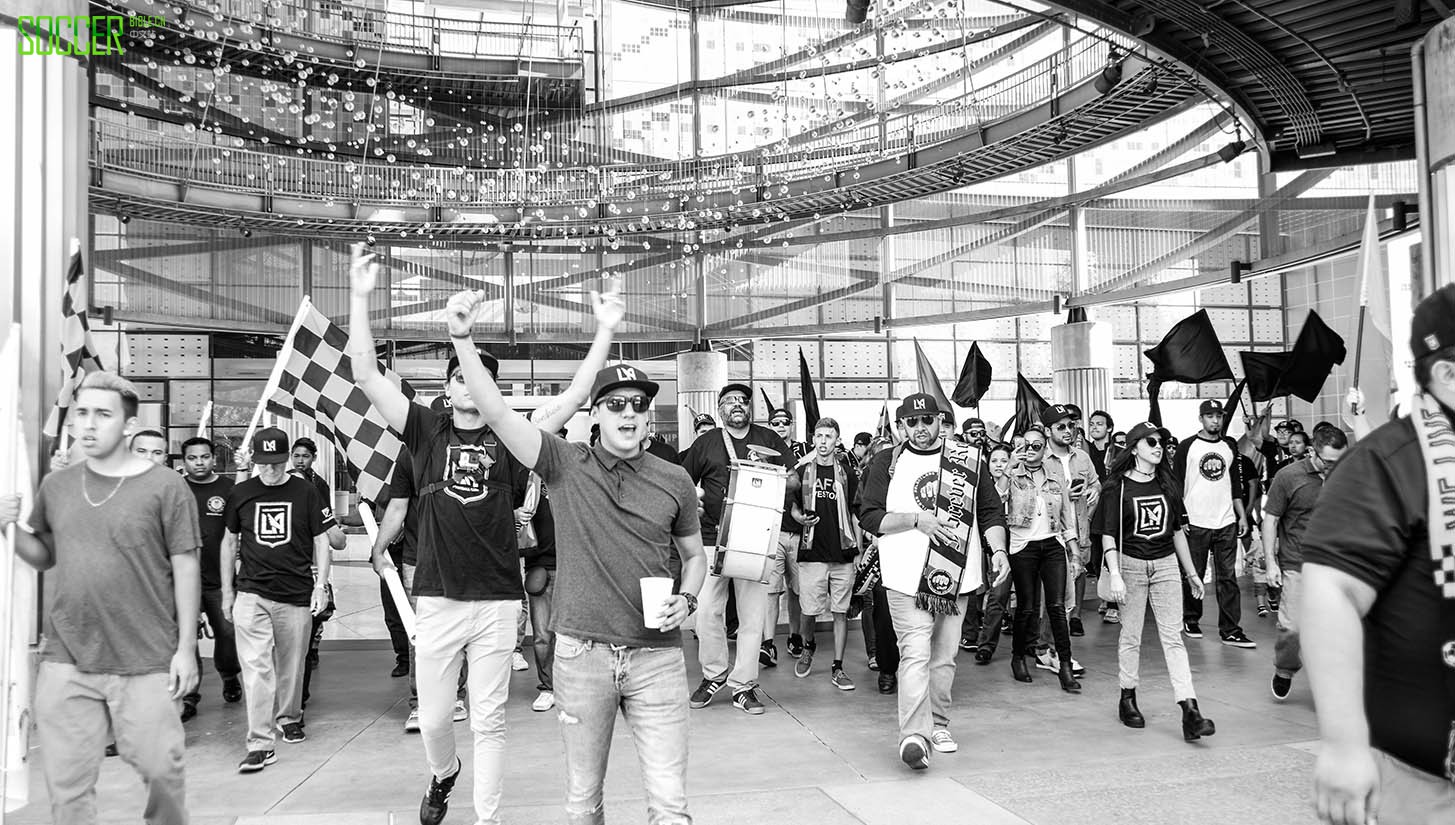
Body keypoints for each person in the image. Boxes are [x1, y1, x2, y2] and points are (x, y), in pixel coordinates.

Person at [348, 244, 622, 825]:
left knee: (490, 720)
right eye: (457, 378)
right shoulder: (423, 429)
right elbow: (366, 374)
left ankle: (487, 818)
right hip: (438, 598)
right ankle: (444, 774)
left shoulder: (513, 437)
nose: (467, 387)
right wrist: (361, 295)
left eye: (477, 380)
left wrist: (604, 330)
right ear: (447, 389)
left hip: (498, 598)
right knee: (438, 718)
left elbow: (575, 397)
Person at [446, 286, 706, 824]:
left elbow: (695, 556)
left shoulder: (675, 479)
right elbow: (494, 412)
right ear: (597, 414)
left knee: (670, 806)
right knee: (583, 804)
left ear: (648, 416)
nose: (628, 414)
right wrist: (463, 339)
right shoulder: (566, 465)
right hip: (581, 657)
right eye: (615, 404)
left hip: (657, 659)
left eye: (638, 405)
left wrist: (687, 597)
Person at [0, 372, 200, 825]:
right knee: (67, 789)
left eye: (103, 415)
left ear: (128, 426)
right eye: (81, 414)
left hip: (145, 658)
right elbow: (44, 555)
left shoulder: (166, 486)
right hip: (66, 658)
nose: (88, 425)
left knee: (162, 773)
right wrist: (7, 527)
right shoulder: (58, 486)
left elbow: (186, 566)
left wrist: (186, 649)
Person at [1299, 283, 1455, 825]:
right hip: (1425, 782)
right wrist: (1343, 744)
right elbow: (1331, 590)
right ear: (1447, 375)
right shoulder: (1389, 462)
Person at [858, 392, 1009, 770]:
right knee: (915, 654)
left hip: (956, 573)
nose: (921, 429)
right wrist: (916, 520)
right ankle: (914, 736)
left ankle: (939, 723)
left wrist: (999, 550)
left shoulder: (967, 460)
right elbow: (870, 516)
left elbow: (990, 512)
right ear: (901, 426)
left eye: (928, 421)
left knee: (944, 657)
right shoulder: (885, 462)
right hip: (905, 576)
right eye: (912, 422)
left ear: (941, 422)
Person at [680, 383, 798, 716]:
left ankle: (743, 685)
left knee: (752, 616)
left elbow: (793, 480)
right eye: (729, 401)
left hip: (755, 539)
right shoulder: (706, 443)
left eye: (742, 401)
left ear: (750, 408)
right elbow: (684, 482)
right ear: (720, 409)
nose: (736, 405)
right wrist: (695, 507)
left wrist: (770, 469)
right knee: (705, 612)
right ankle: (713, 674)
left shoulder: (769, 440)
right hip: (710, 537)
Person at [220, 427, 334, 773]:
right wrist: (228, 591)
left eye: (276, 463)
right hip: (252, 592)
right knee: (256, 668)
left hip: (296, 592)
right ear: (255, 460)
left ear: (287, 460)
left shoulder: (305, 491)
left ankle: (289, 716)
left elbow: (322, 541)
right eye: (263, 463)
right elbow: (228, 542)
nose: (270, 470)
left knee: (292, 664)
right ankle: (259, 742)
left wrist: (321, 585)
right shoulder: (241, 493)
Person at [1097, 421, 1218, 742]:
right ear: (1134, 447)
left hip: (1165, 565)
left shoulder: (1167, 483)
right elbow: (1109, 534)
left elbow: (1178, 530)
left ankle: (1190, 711)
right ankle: (1127, 698)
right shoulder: (1116, 487)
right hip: (1130, 565)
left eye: (1161, 441)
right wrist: (1117, 574)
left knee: (1173, 637)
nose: (1158, 446)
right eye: (1150, 441)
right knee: (1131, 636)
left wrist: (1192, 573)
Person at [1262, 425, 1347, 702]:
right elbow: (1271, 519)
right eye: (1329, 462)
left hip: (1335, 566)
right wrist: (1271, 564)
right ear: (1313, 452)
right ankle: (1285, 670)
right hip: (1296, 563)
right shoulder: (1288, 477)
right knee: (1292, 628)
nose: (1334, 468)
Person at [1002, 423, 1081, 692]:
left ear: (1045, 448)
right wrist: (1009, 465)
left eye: (1037, 445)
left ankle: (1065, 665)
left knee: (1057, 607)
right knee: (1027, 607)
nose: (1032, 450)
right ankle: (1018, 658)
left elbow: (1065, 518)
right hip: (1023, 546)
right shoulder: (1012, 476)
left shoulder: (1055, 479)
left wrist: (1075, 551)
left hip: (1052, 544)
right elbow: (997, 497)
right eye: (1027, 445)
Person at [1172, 399, 1253, 648]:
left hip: (1226, 521)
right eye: (1210, 416)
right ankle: (1190, 619)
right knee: (1193, 574)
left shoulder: (1229, 445)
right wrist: (1181, 518)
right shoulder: (1188, 446)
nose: (1215, 420)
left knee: (1228, 577)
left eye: (1218, 416)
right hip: (1196, 521)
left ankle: (1230, 629)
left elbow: (1235, 485)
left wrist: (1241, 515)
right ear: (1201, 418)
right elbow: (1176, 485)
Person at [789, 417, 861, 691]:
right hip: (812, 553)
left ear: (837, 440)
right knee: (809, 611)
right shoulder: (803, 471)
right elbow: (792, 507)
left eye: (828, 436)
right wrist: (799, 518)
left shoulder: (847, 473)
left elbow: (856, 512)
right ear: (813, 439)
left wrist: (859, 551)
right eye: (818, 436)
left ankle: (838, 666)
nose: (822, 441)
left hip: (842, 554)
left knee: (840, 612)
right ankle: (808, 648)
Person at [179, 437, 243, 720]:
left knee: (228, 635)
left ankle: (229, 676)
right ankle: (189, 696)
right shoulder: (175, 488)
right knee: (186, 638)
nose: (199, 462)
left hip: (221, 580)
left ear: (213, 459)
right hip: (184, 582)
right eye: (193, 458)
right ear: (184, 461)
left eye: (204, 457)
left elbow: (243, 511)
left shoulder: (228, 489)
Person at [762, 407, 806, 669]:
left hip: (799, 532)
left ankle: (795, 635)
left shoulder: (802, 454)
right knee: (771, 591)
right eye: (775, 422)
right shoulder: (763, 453)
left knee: (796, 590)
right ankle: (768, 643)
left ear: (791, 425)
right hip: (773, 530)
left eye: (785, 422)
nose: (780, 426)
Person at [972, 442, 1014, 665]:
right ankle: (986, 645)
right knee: (997, 596)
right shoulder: (986, 487)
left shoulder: (1020, 482)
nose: (999, 465)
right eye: (995, 461)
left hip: (1022, 546)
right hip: (997, 550)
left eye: (1004, 460)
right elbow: (994, 502)